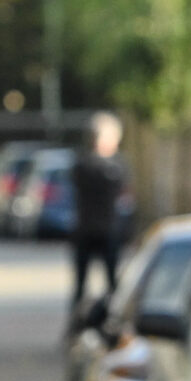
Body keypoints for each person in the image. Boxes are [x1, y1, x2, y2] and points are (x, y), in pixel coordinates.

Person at [69, 112, 127, 311]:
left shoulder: (118, 164)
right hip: (88, 230)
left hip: (109, 231)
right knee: (80, 287)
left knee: (113, 284)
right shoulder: (86, 164)